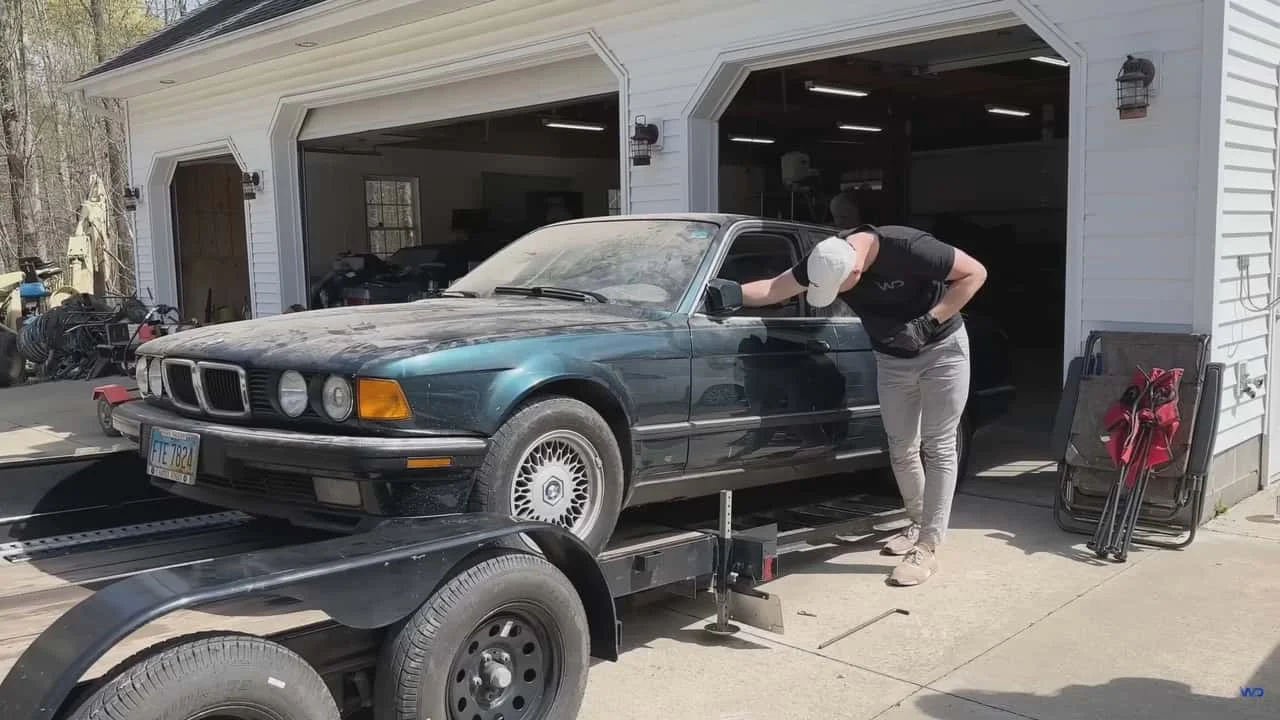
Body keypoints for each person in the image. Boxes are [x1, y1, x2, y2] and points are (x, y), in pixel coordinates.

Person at [738, 225, 987, 586]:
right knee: (901, 446)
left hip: (941, 351)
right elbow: (774, 288)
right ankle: (918, 522)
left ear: (856, 270)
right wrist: (727, 292)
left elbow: (975, 273)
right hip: (891, 359)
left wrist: (928, 322)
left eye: (840, 287)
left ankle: (928, 547)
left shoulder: (908, 247)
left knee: (938, 445)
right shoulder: (826, 258)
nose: (838, 294)